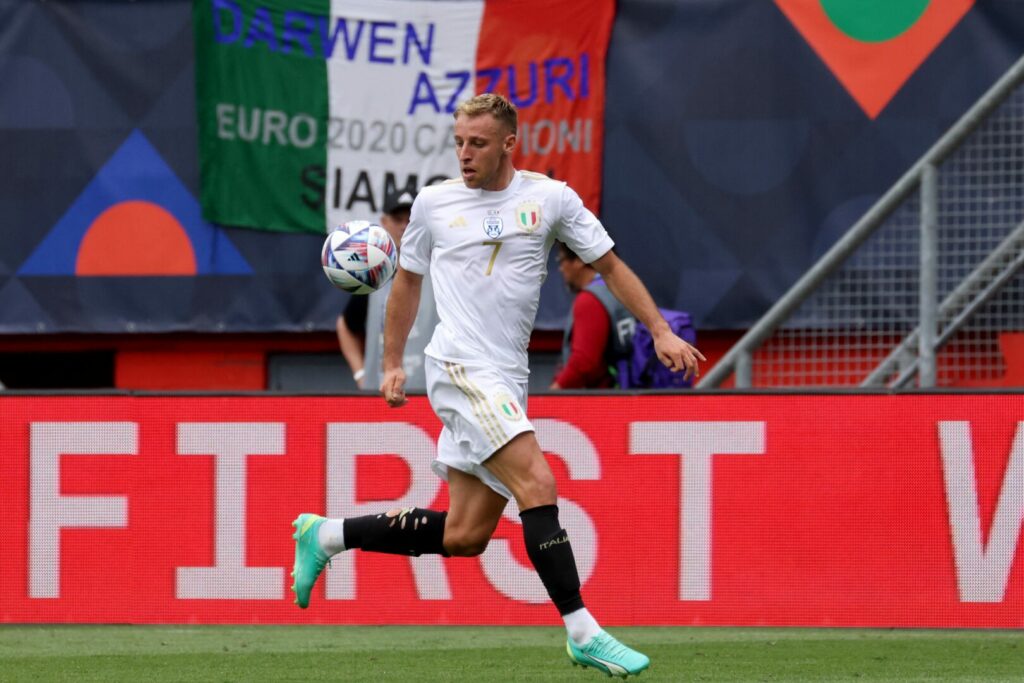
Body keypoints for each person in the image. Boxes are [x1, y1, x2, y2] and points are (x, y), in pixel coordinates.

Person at [291, 93, 705, 678]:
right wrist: (389, 364)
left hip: (506, 375)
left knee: (465, 535)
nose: (464, 153)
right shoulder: (433, 205)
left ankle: (326, 535)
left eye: (478, 143)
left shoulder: (550, 198)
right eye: (459, 141)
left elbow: (610, 265)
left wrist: (660, 330)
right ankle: (582, 629)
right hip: (460, 369)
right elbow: (407, 283)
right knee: (538, 480)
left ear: (509, 143)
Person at [335, 188, 438, 391]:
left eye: (409, 220)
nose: (403, 226)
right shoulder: (373, 276)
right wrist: (361, 374)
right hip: (380, 392)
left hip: (430, 392)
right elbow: (345, 325)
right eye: (397, 219)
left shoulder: (438, 271)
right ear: (383, 223)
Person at [551, 241, 635, 389]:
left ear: (579, 261)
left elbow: (583, 363)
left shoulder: (589, 300)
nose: (561, 268)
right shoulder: (621, 290)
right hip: (627, 394)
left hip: (602, 403)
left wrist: (554, 392)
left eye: (561, 260)